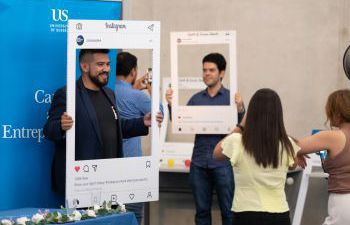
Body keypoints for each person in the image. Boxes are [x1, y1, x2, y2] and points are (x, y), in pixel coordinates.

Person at [44, 49, 162, 195]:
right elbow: (49, 129)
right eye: (100, 64)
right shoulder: (67, 94)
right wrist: (61, 126)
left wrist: (142, 122)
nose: (106, 69)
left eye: (108, 64)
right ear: (84, 66)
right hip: (81, 184)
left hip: (109, 180)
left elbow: (116, 127)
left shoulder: (109, 93)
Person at [166, 53, 245, 225]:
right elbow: (179, 123)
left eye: (211, 70)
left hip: (224, 163)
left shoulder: (232, 99)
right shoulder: (195, 99)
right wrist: (171, 105)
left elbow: (242, 128)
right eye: (204, 70)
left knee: (229, 212)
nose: (207, 73)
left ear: (221, 73)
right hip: (199, 163)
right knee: (201, 213)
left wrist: (240, 109)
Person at [213, 88, 300, 225]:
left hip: (245, 214)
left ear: (251, 114)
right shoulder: (287, 143)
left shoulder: (236, 141)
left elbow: (216, 153)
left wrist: (241, 125)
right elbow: (293, 164)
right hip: (279, 214)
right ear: (278, 115)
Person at [115, 51, 159, 225]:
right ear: (133, 71)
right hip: (132, 167)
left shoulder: (107, 92)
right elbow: (158, 114)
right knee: (132, 215)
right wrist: (151, 90)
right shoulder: (138, 96)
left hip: (108, 163)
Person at [296, 89, 350, 225]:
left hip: (344, 200)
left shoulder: (332, 136)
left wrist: (298, 152)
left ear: (337, 111)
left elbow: (290, 146)